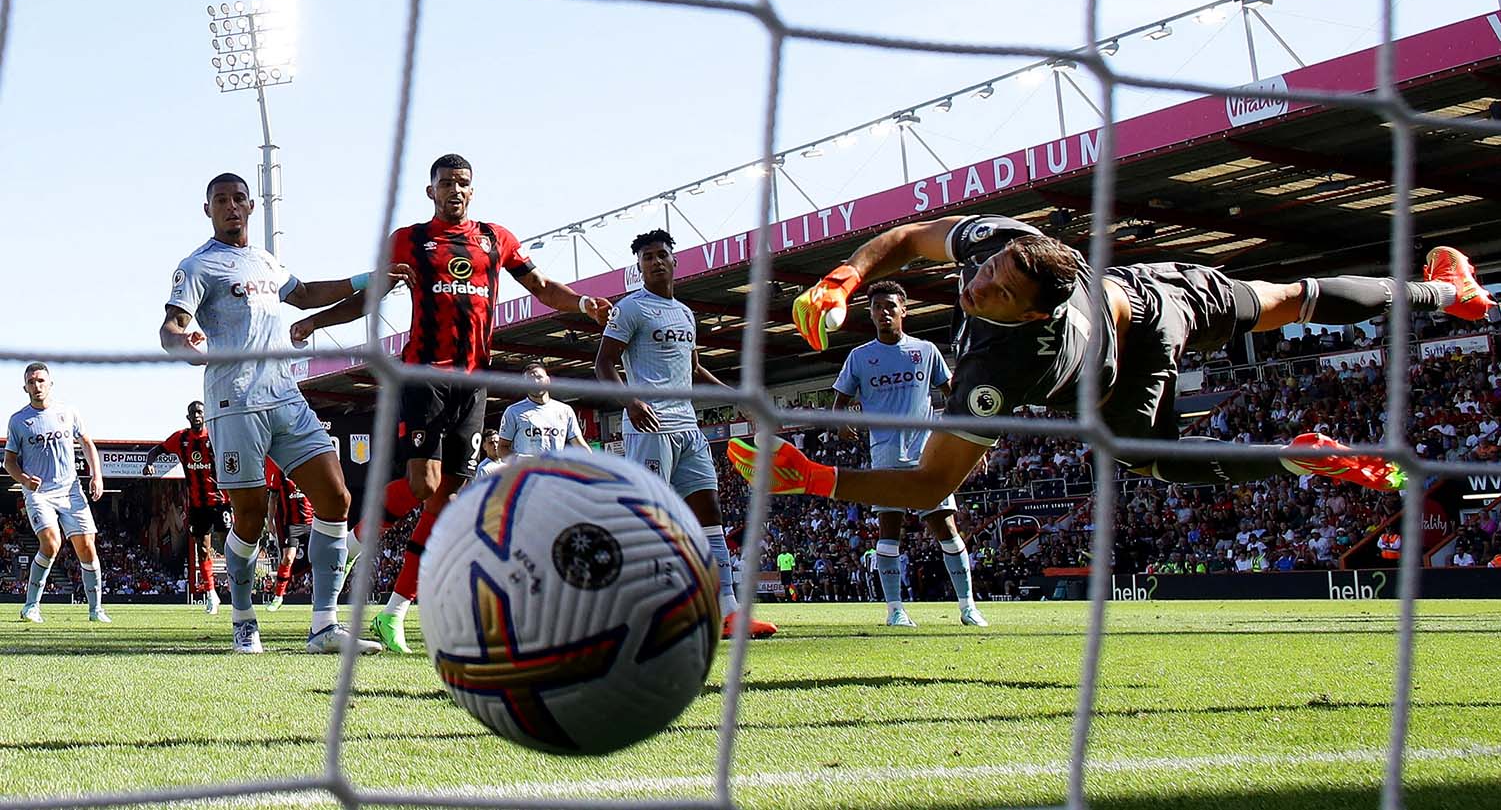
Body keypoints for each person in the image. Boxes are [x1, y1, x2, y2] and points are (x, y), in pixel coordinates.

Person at [727, 214, 1494, 511]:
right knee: (1292, 298)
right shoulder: (1011, 244)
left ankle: (1292, 460)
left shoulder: (1002, 371)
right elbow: (907, 237)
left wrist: (818, 478)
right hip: (1156, 296)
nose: (976, 282)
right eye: (986, 268)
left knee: (1148, 457)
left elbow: (931, 484)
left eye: (995, 287)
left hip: (1131, 359)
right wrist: (842, 277)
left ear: (1032, 312)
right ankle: (1448, 293)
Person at [291, 153, 610, 655]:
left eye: (463, 183)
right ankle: (352, 544)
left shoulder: (496, 239)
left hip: (474, 384)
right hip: (423, 376)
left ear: (472, 190)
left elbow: (542, 287)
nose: (455, 191)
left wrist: (581, 302)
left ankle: (393, 614)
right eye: (446, 184)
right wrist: (317, 321)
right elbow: (371, 295)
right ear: (431, 191)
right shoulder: (410, 240)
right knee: (425, 484)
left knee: (446, 500)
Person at [160, 171, 384, 656]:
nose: (231, 207)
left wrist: (372, 278)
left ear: (251, 206)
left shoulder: (265, 261)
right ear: (208, 209)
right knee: (250, 518)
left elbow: (305, 294)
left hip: (285, 396)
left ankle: (324, 628)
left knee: (337, 498)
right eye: (221, 200)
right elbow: (171, 326)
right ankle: (243, 620)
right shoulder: (198, 266)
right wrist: (185, 346)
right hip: (234, 403)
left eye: (239, 198)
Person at [595, 229, 777, 640]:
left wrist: (738, 397)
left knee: (710, 513)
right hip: (650, 424)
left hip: (688, 427)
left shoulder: (685, 313)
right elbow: (603, 365)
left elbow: (694, 369)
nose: (656, 262)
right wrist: (630, 402)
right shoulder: (631, 309)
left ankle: (728, 611)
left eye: (662, 255)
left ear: (675, 261)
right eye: (647, 258)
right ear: (638, 267)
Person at [830, 280, 985, 627]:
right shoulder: (859, 357)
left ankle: (968, 607)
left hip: (927, 454)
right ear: (869, 313)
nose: (883, 312)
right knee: (889, 532)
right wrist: (841, 423)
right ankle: (895, 610)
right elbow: (839, 402)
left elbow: (953, 395)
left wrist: (970, 440)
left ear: (904, 310)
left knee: (946, 527)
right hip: (885, 454)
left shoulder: (926, 351)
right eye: (876, 307)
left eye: (889, 306)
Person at [6, 363, 108, 624]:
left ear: (50, 384)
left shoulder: (68, 412)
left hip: (70, 490)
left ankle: (96, 610)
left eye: (41, 380)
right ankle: (31, 606)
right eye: (31, 382)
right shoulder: (18, 421)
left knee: (87, 547)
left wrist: (96, 476)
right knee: (51, 543)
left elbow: (87, 442)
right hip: (39, 494)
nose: (36, 386)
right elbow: (9, 462)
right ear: (24, 387)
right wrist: (24, 480)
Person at [143, 400, 227, 614]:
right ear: (188, 417)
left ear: (205, 415)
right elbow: (156, 450)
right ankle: (211, 594)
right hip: (198, 505)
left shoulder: (216, 436)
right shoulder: (181, 439)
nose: (197, 415)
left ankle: (236, 589)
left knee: (230, 547)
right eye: (193, 413)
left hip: (221, 502)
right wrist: (149, 464)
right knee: (203, 550)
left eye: (200, 412)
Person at [496, 363, 590, 459]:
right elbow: (501, 449)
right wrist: (522, 461)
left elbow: (579, 445)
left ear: (548, 380)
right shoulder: (513, 411)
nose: (536, 382)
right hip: (528, 473)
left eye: (539, 377)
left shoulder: (565, 410)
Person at [265, 460, 313, 611]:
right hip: (292, 525)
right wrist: (270, 521)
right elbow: (273, 498)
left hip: (312, 523)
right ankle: (278, 596)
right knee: (288, 558)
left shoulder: (311, 469)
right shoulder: (281, 472)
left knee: (318, 560)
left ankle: (324, 599)